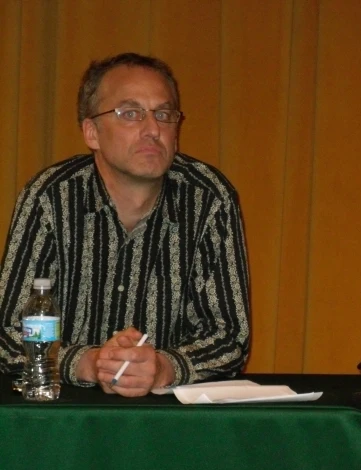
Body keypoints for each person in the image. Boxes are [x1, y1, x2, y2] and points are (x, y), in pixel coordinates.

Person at [0, 53, 251, 396]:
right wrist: (88, 361)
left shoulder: (209, 198)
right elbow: (8, 332)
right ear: (92, 132)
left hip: (172, 419)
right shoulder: (51, 196)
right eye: (130, 114)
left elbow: (230, 337)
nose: (153, 130)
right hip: (64, 410)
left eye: (164, 115)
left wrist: (164, 367)